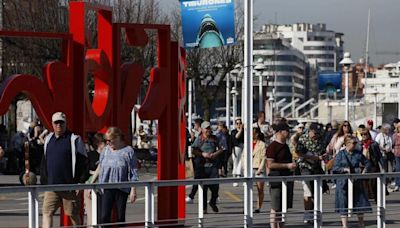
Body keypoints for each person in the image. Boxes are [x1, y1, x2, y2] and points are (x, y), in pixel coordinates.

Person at [40, 112, 89, 228]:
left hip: (69, 186)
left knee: (73, 214)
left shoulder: (74, 139)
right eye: (56, 122)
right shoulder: (48, 140)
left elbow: (84, 162)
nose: (59, 125)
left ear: (65, 123)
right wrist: (44, 181)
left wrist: (80, 182)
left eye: (61, 122)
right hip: (51, 186)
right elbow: (44, 161)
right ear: (52, 124)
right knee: (47, 212)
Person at [98, 127, 138, 227]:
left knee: (120, 217)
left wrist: (133, 189)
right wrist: (92, 184)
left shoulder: (128, 151)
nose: (107, 143)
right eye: (106, 140)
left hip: (122, 188)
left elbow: (133, 171)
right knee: (104, 216)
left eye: (109, 140)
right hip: (107, 187)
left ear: (118, 138)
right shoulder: (105, 150)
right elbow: (100, 167)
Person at [333, 135, 372, 228]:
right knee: (343, 203)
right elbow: (335, 168)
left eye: (356, 143)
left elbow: (368, 162)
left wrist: (365, 169)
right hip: (343, 183)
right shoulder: (340, 154)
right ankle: (345, 225)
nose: (355, 145)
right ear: (347, 144)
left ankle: (361, 224)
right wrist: (344, 169)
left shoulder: (358, 153)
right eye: (354, 143)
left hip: (357, 181)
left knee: (360, 202)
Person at [266, 123, 296, 228]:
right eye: (286, 130)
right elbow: (270, 164)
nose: (288, 133)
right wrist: (287, 165)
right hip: (276, 180)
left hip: (287, 179)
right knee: (275, 207)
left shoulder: (286, 146)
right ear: (279, 132)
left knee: (283, 207)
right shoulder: (272, 147)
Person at [191, 121, 224, 213]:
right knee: (204, 188)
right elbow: (193, 150)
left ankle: (213, 202)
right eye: (206, 128)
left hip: (213, 165)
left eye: (209, 128)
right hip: (202, 166)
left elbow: (222, 148)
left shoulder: (215, 138)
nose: (208, 130)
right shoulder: (199, 139)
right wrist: (203, 154)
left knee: (215, 186)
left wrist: (215, 154)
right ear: (202, 129)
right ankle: (204, 208)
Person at [84, 133, 106, 226]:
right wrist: (94, 173)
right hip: (90, 184)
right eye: (105, 142)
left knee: (103, 215)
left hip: (103, 187)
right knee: (92, 214)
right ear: (99, 143)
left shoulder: (108, 155)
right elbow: (86, 171)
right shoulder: (90, 155)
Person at [360, 129, 383, 200]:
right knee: (364, 183)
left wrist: (382, 166)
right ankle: (366, 198)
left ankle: (376, 197)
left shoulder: (374, 143)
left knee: (373, 183)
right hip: (363, 165)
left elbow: (379, 155)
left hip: (373, 165)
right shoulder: (359, 144)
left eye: (365, 134)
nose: (364, 136)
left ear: (368, 134)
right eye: (362, 134)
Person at [186, 118, 203, 203]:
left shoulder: (201, 134)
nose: (194, 126)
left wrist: (193, 138)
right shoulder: (197, 134)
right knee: (199, 177)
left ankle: (191, 196)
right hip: (195, 157)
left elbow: (197, 145)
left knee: (198, 177)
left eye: (195, 124)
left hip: (200, 158)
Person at [252, 127, 267, 213]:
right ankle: (247, 205)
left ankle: (258, 207)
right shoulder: (248, 143)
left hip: (258, 168)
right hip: (249, 168)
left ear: (257, 134)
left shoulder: (262, 144)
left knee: (260, 189)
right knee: (248, 188)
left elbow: (264, 158)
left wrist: (260, 169)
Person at [231, 118, 244, 186]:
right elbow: (236, 137)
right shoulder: (233, 131)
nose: (239, 125)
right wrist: (240, 130)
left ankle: (241, 178)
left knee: (242, 164)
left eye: (240, 123)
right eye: (237, 123)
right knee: (236, 163)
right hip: (236, 148)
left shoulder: (244, 131)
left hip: (243, 148)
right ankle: (235, 179)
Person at [391, 123, 400, 192]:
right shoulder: (394, 135)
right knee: (398, 168)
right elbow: (392, 144)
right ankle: (397, 184)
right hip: (397, 153)